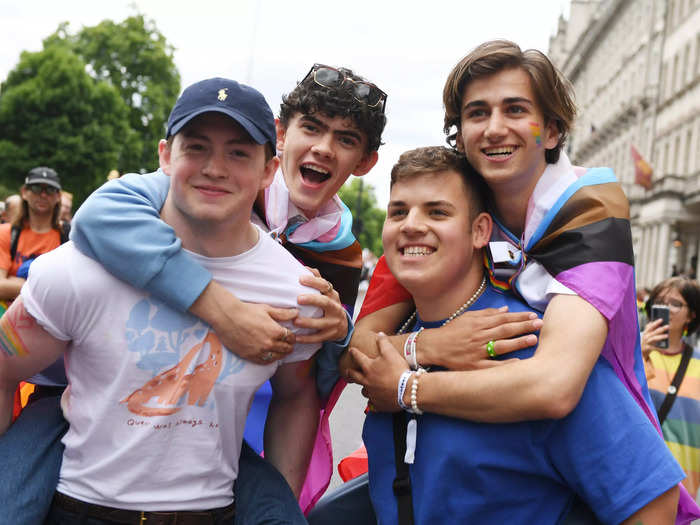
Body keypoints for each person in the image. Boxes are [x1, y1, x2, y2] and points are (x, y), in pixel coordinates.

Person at [342, 40, 700, 522]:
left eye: (515, 110)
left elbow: (555, 385)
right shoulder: (437, 220)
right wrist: (429, 347)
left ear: (551, 130)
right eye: (476, 113)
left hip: (599, 452)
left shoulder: (590, 210)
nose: (494, 128)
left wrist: (407, 387)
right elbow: (361, 349)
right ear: (460, 132)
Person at [0, 77, 323, 523]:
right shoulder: (77, 269)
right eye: (196, 147)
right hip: (77, 508)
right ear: (165, 156)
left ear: (269, 170)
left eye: (238, 152)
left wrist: (277, 498)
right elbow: (3, 367)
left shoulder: (295, 292)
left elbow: (298, 395)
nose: (215, 167)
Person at [642, 277, 700, 500]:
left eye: (675, 303)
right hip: (635, 480)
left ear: (691, 314)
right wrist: (638, 353)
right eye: (659, 301)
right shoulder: (631, 351)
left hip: (683, 484)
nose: (665, 308)